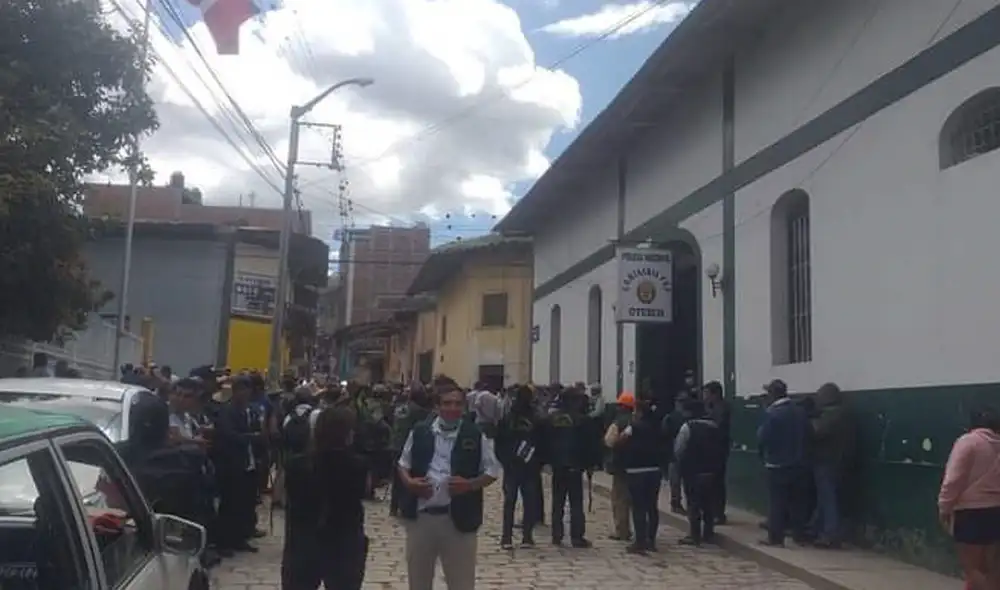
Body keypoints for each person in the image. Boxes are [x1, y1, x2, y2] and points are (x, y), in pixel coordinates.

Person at [397, 379, 501, 590]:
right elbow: (403, 464)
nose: (452, 408)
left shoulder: (473, 434)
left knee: (461, 582)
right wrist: (410, 483)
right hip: (422, 517)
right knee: (418, 581)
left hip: (459, 519)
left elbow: (492, 471)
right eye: (446, 403)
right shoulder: (420, 431)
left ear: (464, 407)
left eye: (457, 404)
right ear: (437, 406)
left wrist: (470, 485)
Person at [282, 406, 369, 590]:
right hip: (343, 543)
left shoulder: (296, 465)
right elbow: (360, 493)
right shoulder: (357, 466)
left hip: (304, 542)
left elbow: (290, 497)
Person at [938, 407, 1000, 590]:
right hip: (997, 511)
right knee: (991, 569)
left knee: (972, 569)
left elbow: (953, 479)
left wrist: (944, 507)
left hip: (970, 513)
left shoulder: (968, 442)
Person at [541, 385, 598, 548]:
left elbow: (545, 442)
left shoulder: (551, 419)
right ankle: (577, 536)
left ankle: (557, 535)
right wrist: (590, 464)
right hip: (575, 465)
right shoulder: (582, 420)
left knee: (558, 501)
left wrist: (548, 460)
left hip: (558, 466)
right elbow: (590, 445)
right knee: (576, 502)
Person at [757, 379, 810, 547]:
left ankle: (776, 537)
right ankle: (799, 534)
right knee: (798, 502)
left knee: (777, 502)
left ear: (773, 394)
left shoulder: (772, 414)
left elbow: (763, 437)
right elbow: (810, 434)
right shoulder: (800, 411)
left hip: (777, 463)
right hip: (800, 462)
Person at [213, 376, 262, 553]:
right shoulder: (227, 411)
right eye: (242, 390)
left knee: (244, 503)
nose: (245, 394)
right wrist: (251, 437)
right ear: (235, 392)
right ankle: (224, 542)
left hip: (248, 462)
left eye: (248, 391)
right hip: (231, 464)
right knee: (229, 505)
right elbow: (228, 435)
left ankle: (240, 538)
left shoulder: (249, 411)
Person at [614, 394, 664, 554]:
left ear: (640, 412)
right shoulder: (658, 426)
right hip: (655, 469)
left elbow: (620, 440)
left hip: (636, 469)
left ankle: (640, 541)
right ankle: (651, 540)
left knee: (638, 506)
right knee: (652, 506)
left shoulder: (633, 426)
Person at [495, 384, 543, 549]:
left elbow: (498, 443)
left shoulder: (507, 418)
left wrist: (505, 461)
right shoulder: (536, 419)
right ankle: (527, 537)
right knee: (529, 501)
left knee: (510, 502)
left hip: (512, 466)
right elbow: (542, 443)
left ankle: (506, 537)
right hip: (529, 467)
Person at [674, 399, 727, 546]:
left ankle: (694, 534)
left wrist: (680, 465)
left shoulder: (688, 427)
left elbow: (679, 449)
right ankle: (708, 532)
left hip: (693, 471)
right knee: (708, 503)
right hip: (711, 470)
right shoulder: (715, 427)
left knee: (693, 504)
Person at [603, 391, 636, 542]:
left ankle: (622, 531)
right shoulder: (637, 420)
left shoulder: (618, 423)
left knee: (620, 499)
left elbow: (609, 441)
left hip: (621, 466)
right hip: (637, 465)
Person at [701, 380, 732, 524]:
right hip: (712, 450)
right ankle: (714, 511)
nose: (704, 396)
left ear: (715, 394)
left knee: (717, 483)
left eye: (707, 393)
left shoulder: (722, 408)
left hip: (718, 450)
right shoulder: (713, 407)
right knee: (713, 483)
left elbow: (717, 428)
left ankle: (718, 513)